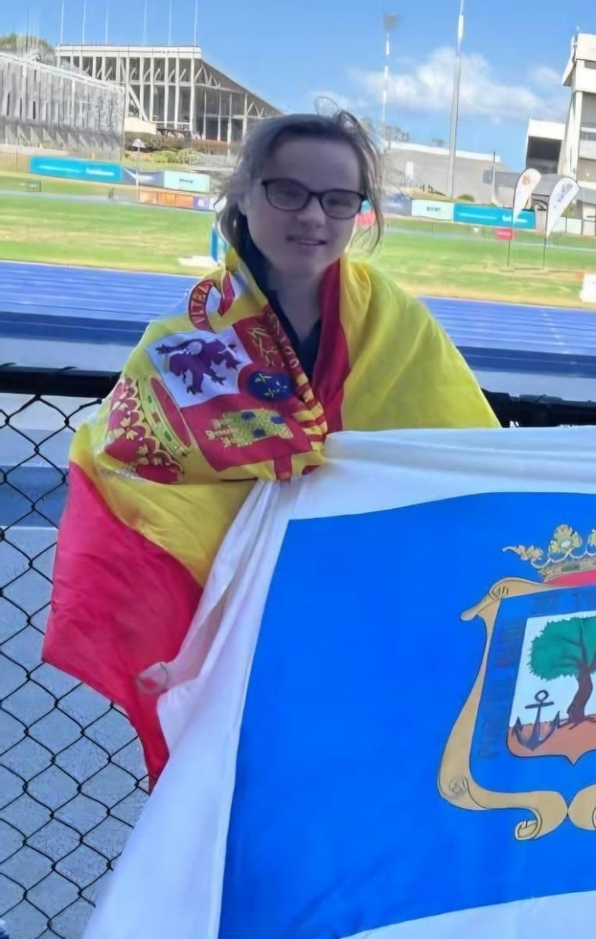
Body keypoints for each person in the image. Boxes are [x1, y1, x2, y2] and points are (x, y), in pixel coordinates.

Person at [43, 110, 499, 784]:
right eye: (289, 191)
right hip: (237, 618)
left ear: (358, 212)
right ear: (247, 192)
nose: (312, 216)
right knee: (243, 782)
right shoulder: (186, 342)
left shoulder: (397, 324)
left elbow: (465, 450)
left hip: (356, 602)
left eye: (338, 200)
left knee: (353, 778)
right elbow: (128, 453)